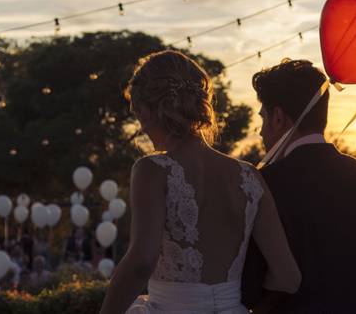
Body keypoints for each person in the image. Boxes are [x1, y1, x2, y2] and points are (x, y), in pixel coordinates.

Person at [100, 50, 301, 314]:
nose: (142, 128)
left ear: (152, 111)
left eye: (139, 114)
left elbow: (142, 261)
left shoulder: (152, 170)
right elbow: (288, 277)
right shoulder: (250, 177)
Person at [242, 59, 356, 314]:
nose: (260, 132)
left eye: (263, 118)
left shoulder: (264, 184)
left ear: (278, 117)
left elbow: (249, 286)